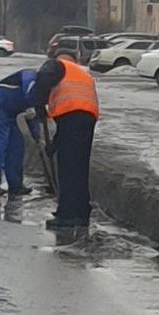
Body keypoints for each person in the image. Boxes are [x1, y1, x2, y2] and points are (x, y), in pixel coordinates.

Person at [33, 47, 99, 233]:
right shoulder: (81, 73)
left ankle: (67, 215)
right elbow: (72, 118)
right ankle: (81, 213)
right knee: (79, 166)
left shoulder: (57, 65)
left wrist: (39, 103)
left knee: (67, 167)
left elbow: (43, 78)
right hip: (87, 117)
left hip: (71, 115)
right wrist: (55, 143)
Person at [0, 68, 37, 197]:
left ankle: (16, 185)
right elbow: (28, 88)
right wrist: (30, 102)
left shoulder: (44, 92)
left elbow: (35, 116)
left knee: (16, 145)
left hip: (11, 111)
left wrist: (37, 136)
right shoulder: (31, 75)